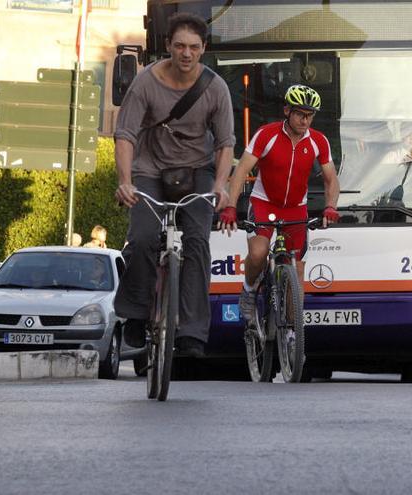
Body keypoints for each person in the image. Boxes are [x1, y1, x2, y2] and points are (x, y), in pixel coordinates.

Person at [113, 12, 234, 358]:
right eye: (179, 45)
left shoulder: (215, 88)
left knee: (197, 241)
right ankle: (135, 316)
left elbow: (226, 142)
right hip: (149, 170)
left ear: (203, 50)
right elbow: (125, 135)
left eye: (194, 47)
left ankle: (193, 332)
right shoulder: (145, 83)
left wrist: (221, 186)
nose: (186, 53)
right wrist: (125, 182)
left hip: (197, 171)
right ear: (167, 46)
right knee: (142, 238)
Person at [217, 84, 340, 321]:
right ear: (287, 110)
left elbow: (331, 179)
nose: (305, 121)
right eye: (300, 114)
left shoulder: (318, 141)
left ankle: (293, 334)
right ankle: (249, 290)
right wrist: (231, 206)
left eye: (310, 115)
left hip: (296, 207)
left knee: (298, 267)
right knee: (258, 253)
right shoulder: (267, 134)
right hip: (265, 203)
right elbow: (242, 169)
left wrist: (331, 206)